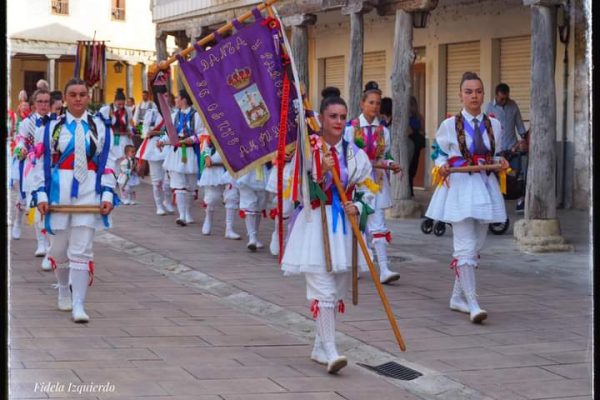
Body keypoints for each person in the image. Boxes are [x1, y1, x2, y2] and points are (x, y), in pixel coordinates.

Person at [281, 95, 377, 374]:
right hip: (315, 223)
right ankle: (332, 349)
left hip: (344, 227)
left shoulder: (354, 152)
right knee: (323, 289)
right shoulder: (309, 150)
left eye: (342, 116)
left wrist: (357, 205)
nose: (338, 121)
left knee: (335, 290)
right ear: (321, 118)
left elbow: (368, 188)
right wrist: (317, 172)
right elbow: (294, 187)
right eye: (332, 116)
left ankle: (319, 345)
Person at [30, 78, 117, 323]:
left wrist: (108, 194)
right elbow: (41, 165)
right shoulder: (50, 127)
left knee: (82, 250)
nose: (78, 98)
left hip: (89, 192)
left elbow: (107, 163)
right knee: (58, 249)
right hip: (59, 193)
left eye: (82, 94)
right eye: (73, 94)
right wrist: (41, 195)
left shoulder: (100, 127)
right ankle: (62, 289)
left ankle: (79, 303)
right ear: (65, 99)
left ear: (88, 97)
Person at [425, 72, 509, 323]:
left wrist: (500, 162)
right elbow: (438, 153)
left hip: (485, 186)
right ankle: (473, 302)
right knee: (464, 246)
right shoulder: (449, 124)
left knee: (477, 245)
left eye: (478, 91)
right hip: (459, 186)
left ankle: (457, 296)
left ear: (484, 94)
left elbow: (493, 155)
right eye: (469, 91)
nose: (474, 96)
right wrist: (441, 166)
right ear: (460, 95)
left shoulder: (494, 124)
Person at [344, 86, 402, 284]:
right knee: (358, 224)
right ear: (362, 104)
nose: (374, 107)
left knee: (378, 223)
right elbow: (346, 157)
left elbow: (385, 156)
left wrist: (391, 164)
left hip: (377, 182)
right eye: (371, 102)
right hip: (357, 183)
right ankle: (357, 264)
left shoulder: (383, 131)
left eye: (378, 103)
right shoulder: (350, 129)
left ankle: (384, 268)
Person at [12, 89, 52, 272]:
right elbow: (21, 141)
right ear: (34, 104)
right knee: (34, 205)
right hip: (32, 166)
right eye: (41, 101)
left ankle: (50, 244)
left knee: (50, 205)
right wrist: (21, 149)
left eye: (46, 101)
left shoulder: (56, 122)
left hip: (51, 169)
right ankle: (41, 243)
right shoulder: (27, 123)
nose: (44, 105)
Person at [157, 89, 203, 226]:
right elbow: (169, 133)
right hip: (176, 152)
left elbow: (202, 133)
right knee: (179, 184)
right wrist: (162, 141)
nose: (175, 100)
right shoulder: (174, 115)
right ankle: (182, 215)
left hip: (190, 152)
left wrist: (193, 139)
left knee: (190, 185)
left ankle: (188, 213)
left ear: (183, 99)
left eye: (177, 98)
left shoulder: (196, 116)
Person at [485, 83, 528, 213]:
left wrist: (525, 140)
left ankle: (520, 201)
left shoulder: (513, 105)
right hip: (496, 150)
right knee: (494, 178)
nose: (504, 101)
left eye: (506, 98)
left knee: (516, 176)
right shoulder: (489, 107)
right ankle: (495, 204)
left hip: (512, 149)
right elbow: (486, 129)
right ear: (496, 95)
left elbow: (520, 125)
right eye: (501, 98)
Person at [197, 135, 241, 239]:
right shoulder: (214, 122)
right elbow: (205, 141)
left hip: (231, 168)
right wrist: (206, 156)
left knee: (232, 197)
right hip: (213, 168)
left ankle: (229, 229)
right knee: (212, 198)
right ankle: (208, 219)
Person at [136, 101, 175, 215]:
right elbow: (144, 131)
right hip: (152, 148)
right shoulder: (151, 113)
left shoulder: (172, 113)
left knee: (168, 180)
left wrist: (157, 132)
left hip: (167, 145)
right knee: (157, 180)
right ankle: (159, 206)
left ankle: (167, 202)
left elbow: (172, 131)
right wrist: (149, 132)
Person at [99, 88, 135, 165]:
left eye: (123, 104)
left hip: (125, 139)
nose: (121, 106)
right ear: (114, 101)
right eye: (119, 104)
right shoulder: (106, 110)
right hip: (112, 139)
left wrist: (132, 131)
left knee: (125, 160)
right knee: (113, 160)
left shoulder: (127, 110)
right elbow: (99, 124)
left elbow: (131, 124)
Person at [408, 96, 426, 197]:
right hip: (409, 144)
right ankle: (410, 191)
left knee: (413, 168)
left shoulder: (418, 117)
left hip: (416, 144)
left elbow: (423, 130)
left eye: (412, 105)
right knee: (409, 169)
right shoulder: (406, 118)